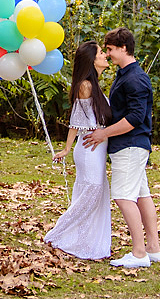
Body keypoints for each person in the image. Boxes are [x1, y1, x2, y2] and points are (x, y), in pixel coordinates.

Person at [83, 27, 160, 268]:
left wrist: (103, 134)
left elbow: (137, 116)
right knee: (141, 195)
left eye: (109, 49)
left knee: (122, 196)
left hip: (130, 145)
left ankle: (139, 253)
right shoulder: (124, 74)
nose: (107, 54)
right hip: (131, 145)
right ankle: (153, 248)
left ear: (124, 48)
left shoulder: (135, 78)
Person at [44, 40, 112, 259]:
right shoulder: (85, 85)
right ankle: (60, 232)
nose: (106, 56)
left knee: (96, 192)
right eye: (102, 53)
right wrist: (66, 148)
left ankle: (87, 240)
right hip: (88, 147)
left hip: (97, 148)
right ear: (92, 60)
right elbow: (77, 120)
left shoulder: (94, 85)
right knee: (91, 190)